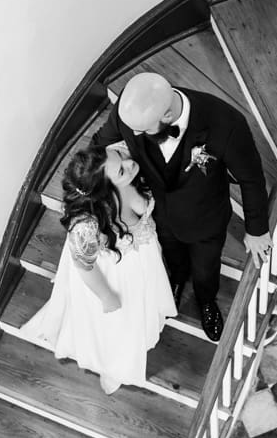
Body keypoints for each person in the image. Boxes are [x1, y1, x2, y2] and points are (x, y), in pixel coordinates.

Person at [93, 72, 273, 343]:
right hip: (158, 214)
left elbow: (251, 178)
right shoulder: (129, 112)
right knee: (173, 257)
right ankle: (176, 281)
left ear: (166, 116)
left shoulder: (226, 123)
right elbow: (98, 146)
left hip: (205, 218)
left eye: (143, 131)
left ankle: (206, 300)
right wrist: (85, 191)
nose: (134, 135)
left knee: (205, 268)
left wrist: (257, 230)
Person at [19, 142, 176, 394]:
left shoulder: (124, 179)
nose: (129, 163)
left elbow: (142, 207)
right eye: (122, 171)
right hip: (114, 275)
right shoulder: (86, 225)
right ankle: (113, 364)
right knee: (118, 324)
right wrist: (107, 296)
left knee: (142, 306)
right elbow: (84, 266)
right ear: (103, 193)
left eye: (121, 157)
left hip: (141, 261)